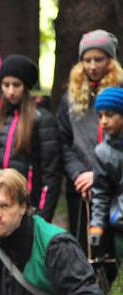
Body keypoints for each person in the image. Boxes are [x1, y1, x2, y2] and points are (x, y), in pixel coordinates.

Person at [58, 29, 123, 253]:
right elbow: (64, 142)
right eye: (87, 60)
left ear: (110, 60)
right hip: (82, 188)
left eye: (99, 59)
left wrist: (98, 175)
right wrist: (79, 174)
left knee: (113, 251)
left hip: (115, 186)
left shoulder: (119, 95)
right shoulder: (69, 98)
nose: (93, 66)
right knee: (85, 250)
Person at [0, 54, 61, 222]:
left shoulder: (42, 119)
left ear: (26, 87)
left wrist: (42, 215)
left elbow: (51, 174)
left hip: (31, 207)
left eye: (16, 85)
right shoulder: (0, 120)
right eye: (6, 85)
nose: (11, 91)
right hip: (3, 206)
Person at [88, 87, 123, 269]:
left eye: (110, 115)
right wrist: (96, 225)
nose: (103, 121)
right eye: (100, 116)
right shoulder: (103, 152)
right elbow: (101, 192)